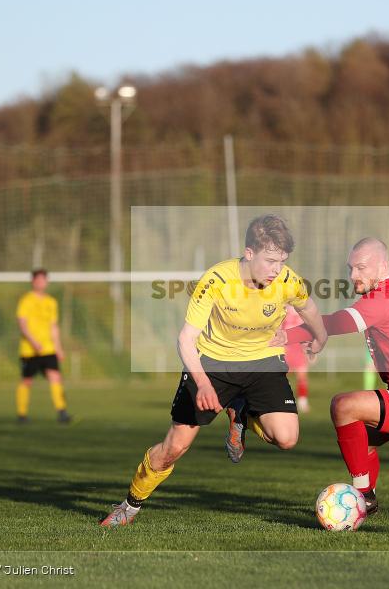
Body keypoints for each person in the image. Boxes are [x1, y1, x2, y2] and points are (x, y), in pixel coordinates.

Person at [101, 214, 327, 527]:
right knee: (174, 448)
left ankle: (242, 412)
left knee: (287, 438)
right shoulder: (217, 280)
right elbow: (186, 339)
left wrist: (320, 336)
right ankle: (129, 505)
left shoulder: (287, 280)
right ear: (249, 253)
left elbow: (310, 309)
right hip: (214, 364)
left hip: (263, 361)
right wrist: (204, 384)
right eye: (271, 260)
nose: (277, 269)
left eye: (282, 261)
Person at [273, 237, 389, 515]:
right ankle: (366, 498)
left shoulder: (384, 297)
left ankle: (363, 497)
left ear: (382, 265)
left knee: (344, 406)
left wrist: (286, 335)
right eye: (350, 268)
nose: (353, 276)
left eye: (361, 268)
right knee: (359, 440)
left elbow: (335, 323)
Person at [15, 269, 71, 424]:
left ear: (47, 282)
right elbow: (22, 324)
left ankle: (62, 412)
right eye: (38, 280)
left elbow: (54, 326)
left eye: (43, 280)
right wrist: (33, 342)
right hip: (29, 349)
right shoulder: (25, 300)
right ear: (33, 282)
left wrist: (58, 347)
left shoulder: (51, 302)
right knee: (27, 381)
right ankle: (22, 414)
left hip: (48, 348)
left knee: (55, 377)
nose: (41, 282)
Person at [282, 305, 311, 413]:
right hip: (287, 347)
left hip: (299, 348)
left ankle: (302, 402)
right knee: (283, 377)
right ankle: (284, 400)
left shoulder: (304, 310)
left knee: (302, 376)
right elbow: (279, 327)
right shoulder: (284, 309)